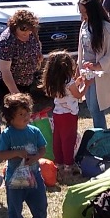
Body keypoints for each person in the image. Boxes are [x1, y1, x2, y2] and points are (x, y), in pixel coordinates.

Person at [0, 93, 57, 218]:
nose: (26, 116)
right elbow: (1, 154)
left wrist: (36, 157)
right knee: (15, 206)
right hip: (14, 178)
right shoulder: (7, 134)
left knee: (40, 202)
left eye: (27, 112)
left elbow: (42, 148)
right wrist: (16, 153)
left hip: (34, 175)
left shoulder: (34, 131)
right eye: (21, 114)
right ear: (10, 118)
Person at [40, 51, 88, 180]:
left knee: (58, 139)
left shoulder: (56, 82)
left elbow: (67, 92)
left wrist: (76, 83)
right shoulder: (69, 81)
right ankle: (68, 166)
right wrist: (86, 85)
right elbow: (78, 95)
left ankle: (59, 163)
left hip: (58, 114)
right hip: (69, 115)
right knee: (69, 140)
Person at [77, 0, 110, 129]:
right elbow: (81, 50)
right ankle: (100, 133)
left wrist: (96, 65)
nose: (83, 15)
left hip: (100, 73)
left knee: (96, 108)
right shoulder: (84, 25)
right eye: (81, 12)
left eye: (85, 12)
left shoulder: (107, 28)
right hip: (86, 72)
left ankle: (101, 135)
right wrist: (79, 68)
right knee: (90, 106)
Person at [0, 9, 45, 108]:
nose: (27, 32)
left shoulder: (31, 32)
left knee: (25, 109)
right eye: (23, 28)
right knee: (14, 110)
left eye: (30, 29)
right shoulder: (7, 40)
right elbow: (5, 70)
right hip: (7, 83)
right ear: (15, 26)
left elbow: (36, 42)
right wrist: (16, 94)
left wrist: (38, 53)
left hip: (26, 80)